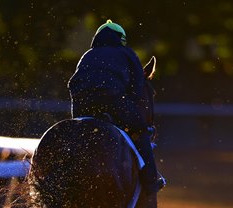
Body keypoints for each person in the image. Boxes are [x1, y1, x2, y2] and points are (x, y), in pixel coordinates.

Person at [68, 19, 165, 195]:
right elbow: (137, 87)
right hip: (111, 99)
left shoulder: (87, 55)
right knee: (141, 131)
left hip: (81, 104)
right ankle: (151, 182)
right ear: (121, 39)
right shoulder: (127, 53)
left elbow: (75, 84)